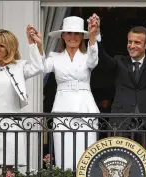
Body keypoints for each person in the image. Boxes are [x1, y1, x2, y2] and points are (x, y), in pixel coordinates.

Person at [87, 14, 146, 158]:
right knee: (120, 162)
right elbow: (102, 59)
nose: (132, 46)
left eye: (137, 42)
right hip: (121, 122)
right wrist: (96, 35)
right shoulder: (119, 61)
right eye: (129, 42)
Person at [29, 16, 99, 169]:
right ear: (63, 36)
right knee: (64, 151)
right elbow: (41, 68)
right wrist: (39, 45)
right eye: (68, 33)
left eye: (76, 34)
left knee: (87, 153)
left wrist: (93, 36)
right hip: (63, 108)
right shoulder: (55, 57)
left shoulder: (87, 56)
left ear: (82, 36)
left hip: (85, 108)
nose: (72, 37)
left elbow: (94, 61)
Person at [0, 27, 44, 177]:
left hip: (12, 126)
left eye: (2, 45)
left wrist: (35, 44)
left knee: (10, 172)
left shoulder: (19, 66)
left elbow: (39, 67)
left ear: (10, 47)